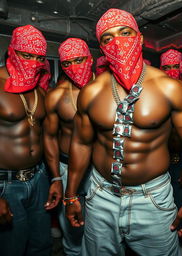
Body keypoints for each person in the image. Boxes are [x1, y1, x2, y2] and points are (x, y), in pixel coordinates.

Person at [65, 8, 182, 256]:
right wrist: (71, 196)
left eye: (125, 32)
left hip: (152, 197)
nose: (117, 42)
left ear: (140, 38)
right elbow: (80, 143)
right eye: (107, 38)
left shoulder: (170, 88)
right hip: (101, 196)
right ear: (101, 47)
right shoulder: (91, 92)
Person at [0, 24, 51, 256]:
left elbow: (46, 135)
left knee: (41, 244)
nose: (33, 62)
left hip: (39, 177)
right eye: (26, 55)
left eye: (39, 57)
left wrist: (57, 178)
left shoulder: (38, 90)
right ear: (12, 51)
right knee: (12, 247)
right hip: (6, 185)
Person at [44, 38, 94, 256]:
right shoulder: (57, 96)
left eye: (80, 60)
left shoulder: (106, 90)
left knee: (99, 230)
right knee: (71, 228)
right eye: (68, 63)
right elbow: (49, 137)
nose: (75, 67)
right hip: (66, 166)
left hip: (98, 171)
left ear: (90, 59)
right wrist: (55, 177)